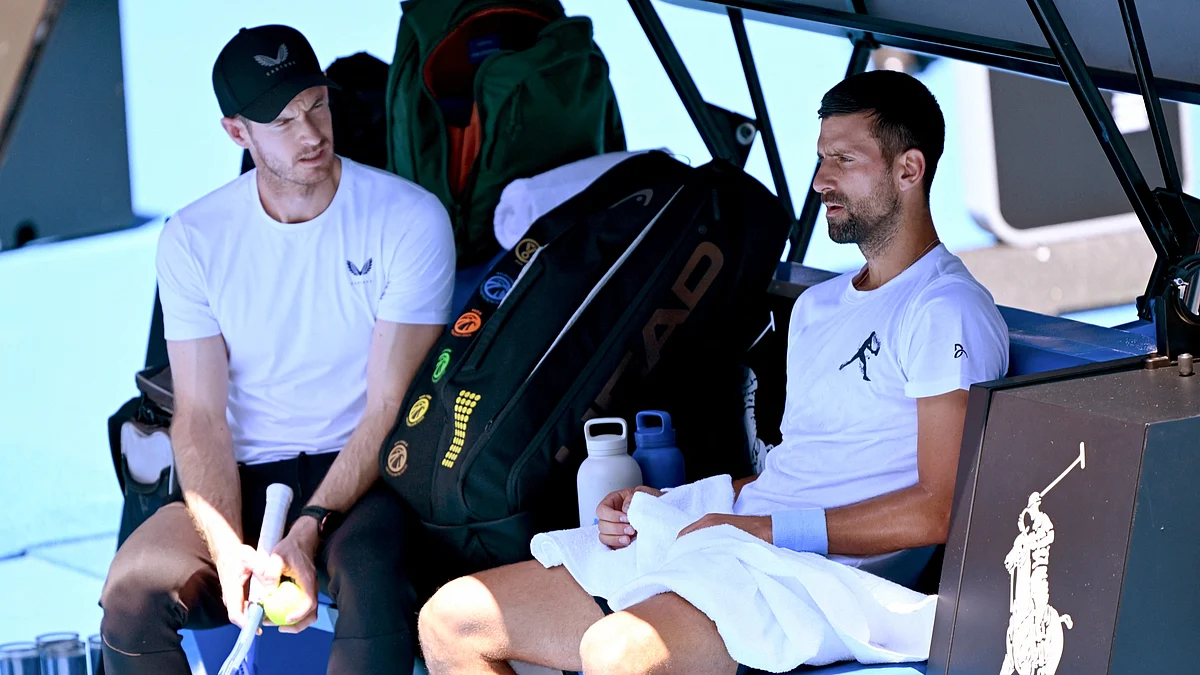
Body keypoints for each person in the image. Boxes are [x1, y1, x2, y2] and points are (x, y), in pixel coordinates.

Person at [417, 70, 1010, 675]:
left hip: (819, 580)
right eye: (820, 159)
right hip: (743, 545)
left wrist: (764, 530)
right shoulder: (816, 308)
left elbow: (938, 509)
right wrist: (672, 501)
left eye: (844, 160)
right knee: (453, 620)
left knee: (617, 653)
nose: (819, 181)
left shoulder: (945, 309)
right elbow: (800, 470)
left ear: (909, 170)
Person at [98, 24, 456, 675]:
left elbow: (388, 404)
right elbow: (200, 415)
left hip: (365, 473)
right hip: (241, 474)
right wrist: (227, 546)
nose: (312, 133)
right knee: (130, 598)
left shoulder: (408, 217)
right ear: (238, 131)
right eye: (283, 120)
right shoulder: (194, 238)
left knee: (370, 575)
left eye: (317, 104)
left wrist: (309, 526)